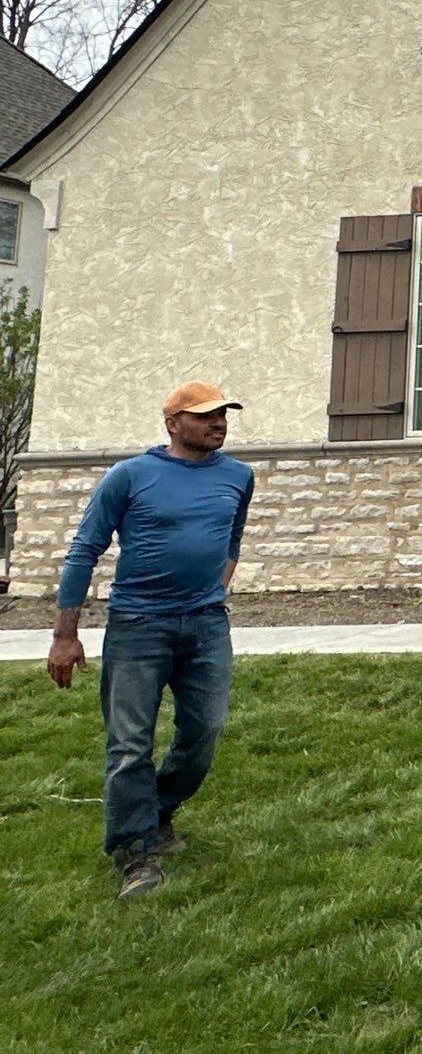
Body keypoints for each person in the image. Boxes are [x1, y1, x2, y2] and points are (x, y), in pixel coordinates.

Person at [47, 381, 254, 899]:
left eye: (223, 414)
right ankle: (136, 852)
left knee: (204, 733)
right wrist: (64, 636)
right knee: (129, 746)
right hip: (138, 625)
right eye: (205, 416)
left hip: (206, 626)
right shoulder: (130, 476)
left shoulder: (239, 476)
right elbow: (83, 551)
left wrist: (214, 593)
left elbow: (231, 541)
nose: (218, 423)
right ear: (173, 423)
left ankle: (155, 810)